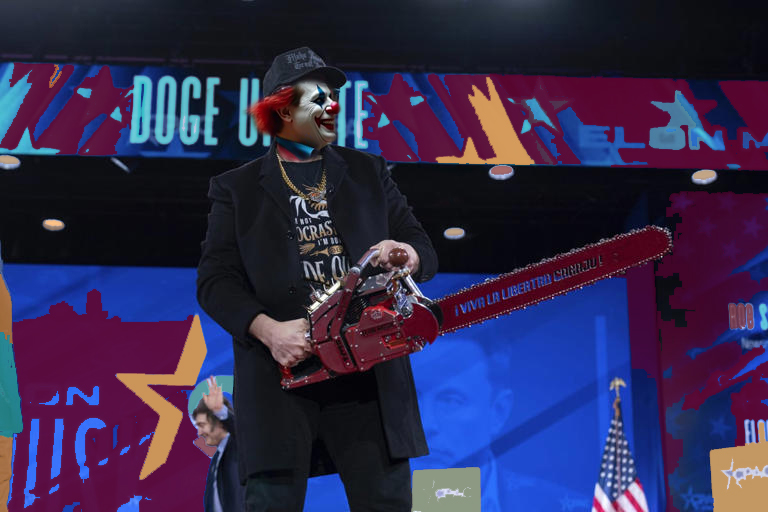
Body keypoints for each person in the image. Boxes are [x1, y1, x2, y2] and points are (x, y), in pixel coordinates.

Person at [196, 46, 438, 512]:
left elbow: (419, 245)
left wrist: (405, 254)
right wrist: (269, 331)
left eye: (333, 97)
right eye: (318, 97)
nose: (332, 106)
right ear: (283, 110)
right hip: (279, 380)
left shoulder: (368, 171)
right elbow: (215, 281)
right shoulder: (237, 189)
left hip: (368, 377)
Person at [193, 376, 245, 512]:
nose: (199, 433)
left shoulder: (238, 445)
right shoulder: (217, 457)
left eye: (202, 425)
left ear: (219, 423)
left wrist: (219, 410)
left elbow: (242, 432)